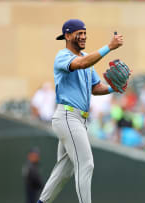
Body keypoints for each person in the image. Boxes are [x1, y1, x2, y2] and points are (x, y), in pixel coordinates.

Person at [37, 19, 123, 203]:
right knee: (86, 164)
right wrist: (109, 46)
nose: (83, 36)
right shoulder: (63, 56)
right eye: (79, 33)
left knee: (64, 171)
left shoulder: (85, 57)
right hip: (67, 115)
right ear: (67, 36)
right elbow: (81, 63)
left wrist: (112, 87)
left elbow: (96, 87)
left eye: (84, 32)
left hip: (78, 120)